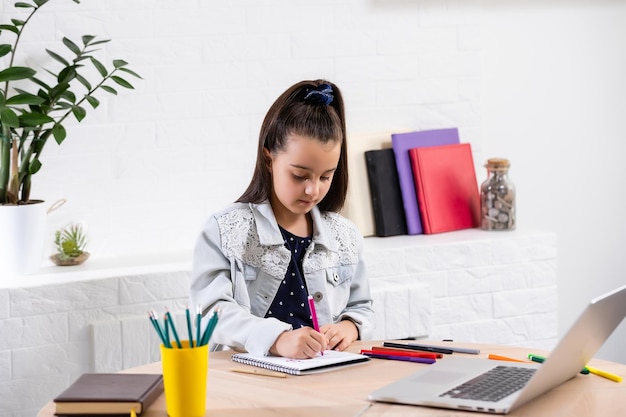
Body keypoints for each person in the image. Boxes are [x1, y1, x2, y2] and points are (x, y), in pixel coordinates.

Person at [190, 79, 374, 359]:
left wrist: (350, 327)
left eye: (326, 176)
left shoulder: (345, 236)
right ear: (268, 159)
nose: (313, 189)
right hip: (247, 378)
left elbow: (362, 307)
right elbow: (210, 313)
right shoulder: (224, 232)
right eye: (299, 176)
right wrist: (277, 339)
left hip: (321, 374)